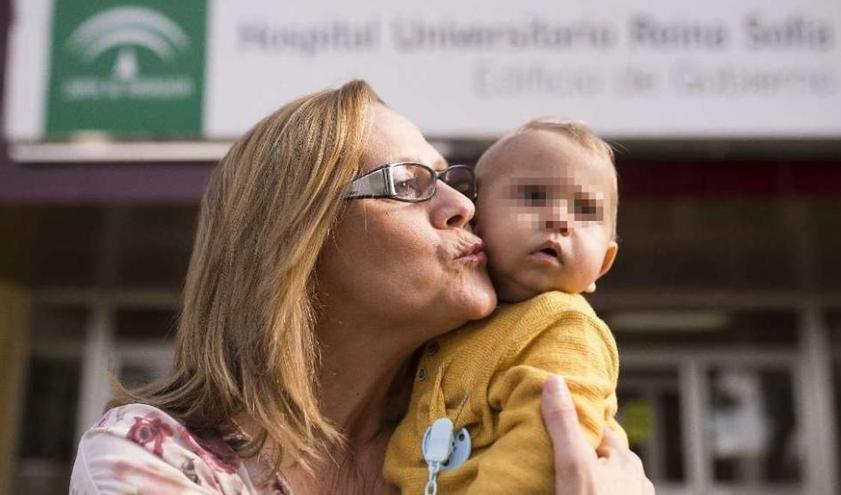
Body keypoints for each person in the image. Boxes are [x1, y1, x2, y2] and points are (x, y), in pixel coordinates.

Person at [68, 80, 653, 495]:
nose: (462, 206)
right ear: (296, 235)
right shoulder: (153, 458)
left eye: (454, 182)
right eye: (408, 182)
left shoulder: (485, 416)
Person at [384, 119, 624, 494]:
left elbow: (543, 447)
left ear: (603, 265)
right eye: (532, 196)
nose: (559, 220)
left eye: (585, 210)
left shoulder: (566, 327)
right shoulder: (452, 321)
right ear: (474, 222)